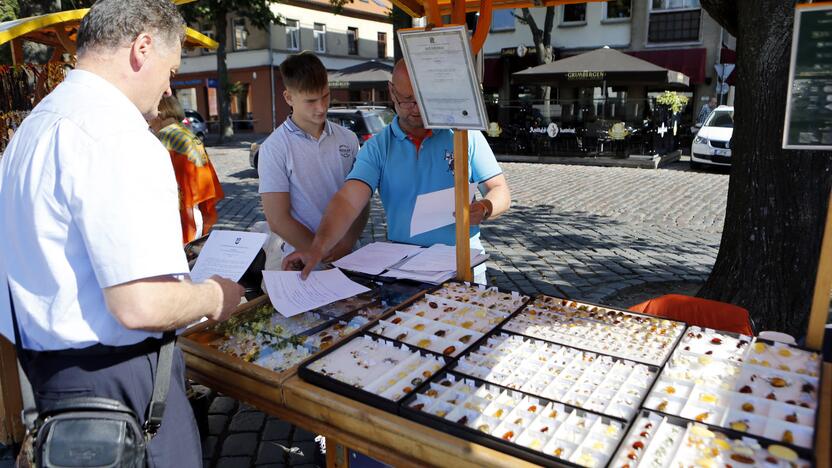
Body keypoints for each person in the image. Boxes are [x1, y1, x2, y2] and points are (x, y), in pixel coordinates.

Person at [0, 1, 244, 466]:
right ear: (142, 47)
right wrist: (214, 296)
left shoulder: (34, 127)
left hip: (48, 379)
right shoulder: (116, 133)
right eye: (171, 69)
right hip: (118, 385)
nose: (169, 86)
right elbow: (140, 303)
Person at [284, 60, 511, 283]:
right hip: (406, 269)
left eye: (424, 100)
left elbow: (499, 189)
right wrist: (318, 248)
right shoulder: (379, 147)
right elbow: (348, 200)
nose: (418, 109)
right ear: (392, 92)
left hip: (463, 264)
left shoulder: (463, 135)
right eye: (408, 100)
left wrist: (485, 207)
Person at [259, 52, 367, 263]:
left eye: (325, 96)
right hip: (302, 258)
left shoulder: (348, 138)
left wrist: (346, 242)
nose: (321, 107)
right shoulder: (274, 147)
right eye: (310, 100)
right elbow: (278, 219)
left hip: (350, 253)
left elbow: (362, 198)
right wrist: (320, 251)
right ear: (288, 97)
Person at [150, 95, 224, 244]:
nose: (148, 121)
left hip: (180, 215)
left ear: (159, 112)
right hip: (196, 208)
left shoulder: (163, 137)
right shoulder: (185, 133)